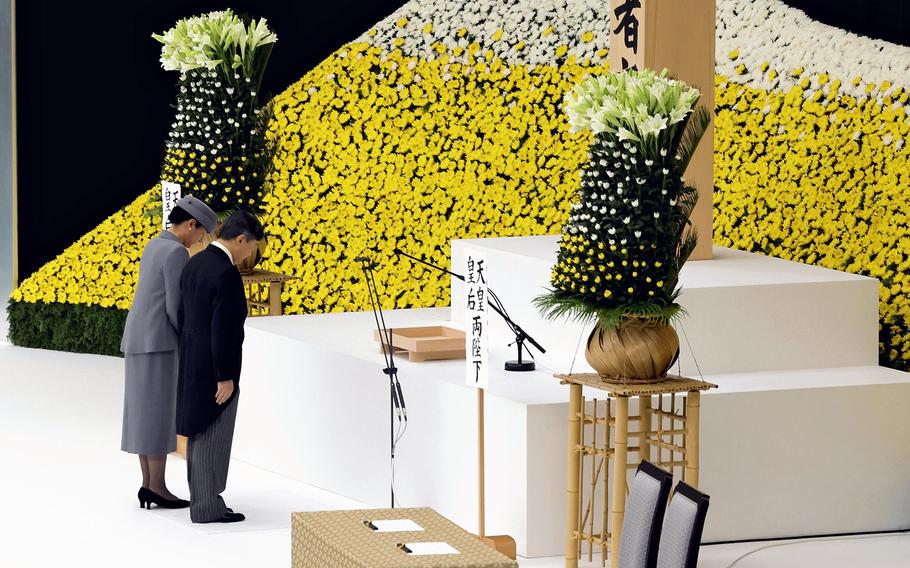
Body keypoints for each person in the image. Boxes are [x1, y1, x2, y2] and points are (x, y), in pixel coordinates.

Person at [121, 195, 217, 509]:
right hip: (159, 341)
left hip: (138, 338)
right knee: (159, 414)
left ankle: (149, 485)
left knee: (142, 413)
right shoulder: (177, 252)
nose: (201, 239)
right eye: (202, 232)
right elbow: (176, 306)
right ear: (191, 224)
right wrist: (191, 340)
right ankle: (158, 487)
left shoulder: (154, 244)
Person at [176, 210, 263, 523]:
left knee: (198, 432)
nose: (249, 255)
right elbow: (224, 329)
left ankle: (204, 499)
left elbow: (182, 315)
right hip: (215, 368)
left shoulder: (195, 262)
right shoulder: (225, 273)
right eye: (251, 248)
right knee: (213, 433)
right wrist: (225, 376)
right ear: (240, 239)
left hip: (191, 360)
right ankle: (207, 505)